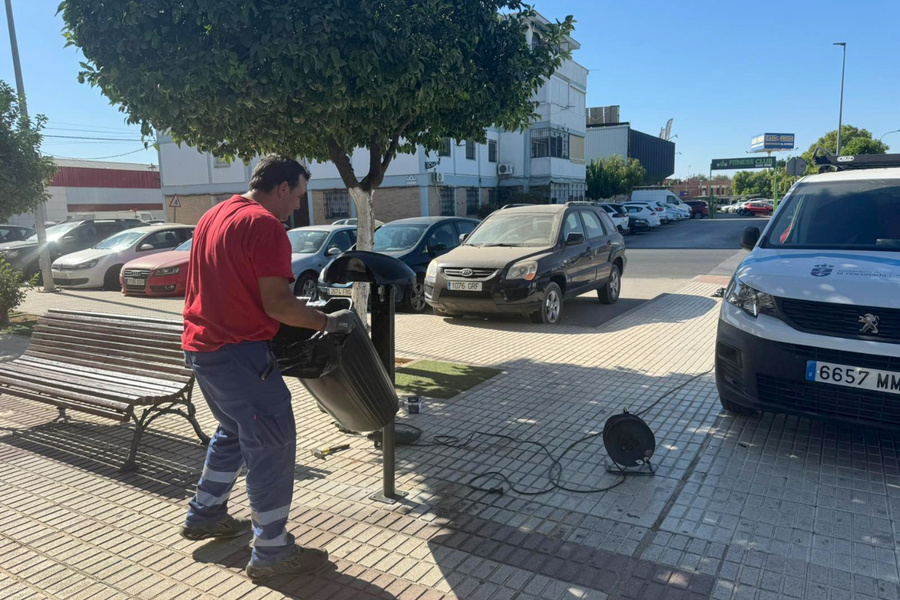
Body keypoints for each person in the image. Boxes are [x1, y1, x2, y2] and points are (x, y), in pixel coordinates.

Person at [178, 155, 355, 581]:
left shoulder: (215, 214)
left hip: (203, 348)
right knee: (273, 445)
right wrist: (326, 322)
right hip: (240, 353)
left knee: (236, 432)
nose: (297, 205)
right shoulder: (265, 226)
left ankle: (205, 513)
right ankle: (272, 552)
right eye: (297, 195)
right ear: (280, 189)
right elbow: (276, 303)